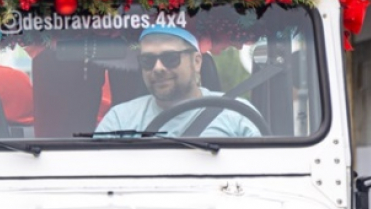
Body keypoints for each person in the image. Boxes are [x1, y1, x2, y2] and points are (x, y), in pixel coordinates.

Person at [94, 26, 260, 138]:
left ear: (196, 62)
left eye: (170, 58)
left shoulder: (237, 113)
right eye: (147, 60)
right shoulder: (119, 121)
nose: (158, 68)